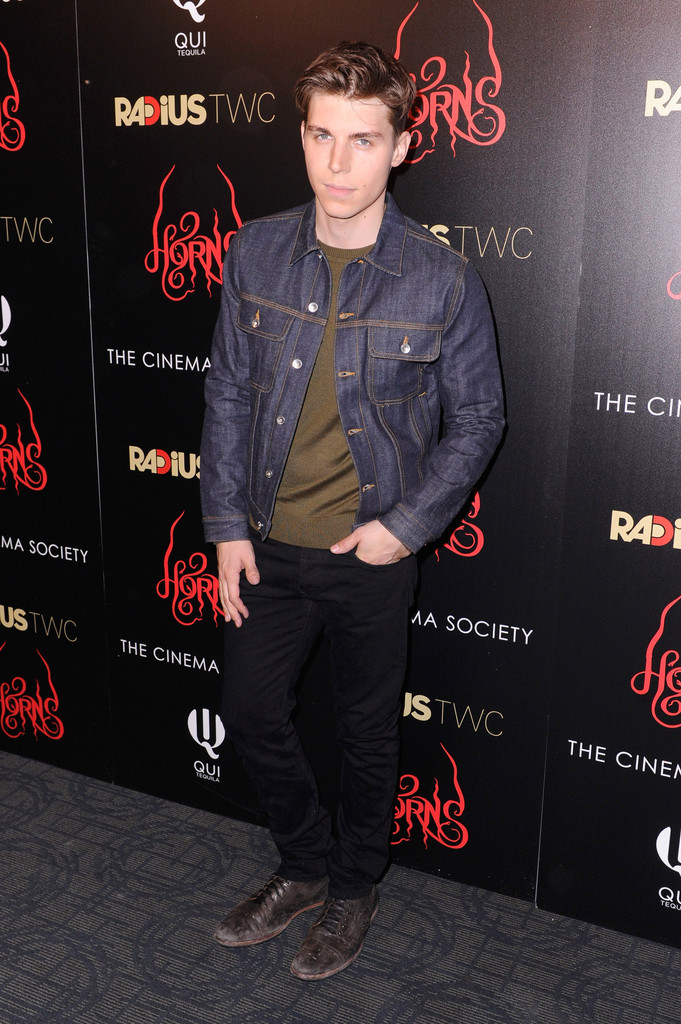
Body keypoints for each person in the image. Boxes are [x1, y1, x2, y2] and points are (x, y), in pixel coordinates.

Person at [200, 40, 504, 981]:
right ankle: (302, 865)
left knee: (367, 735)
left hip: (370, 552)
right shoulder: (254, 251)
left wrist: (404, 529)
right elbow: (228, 394)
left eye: (363, 140)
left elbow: (479, 419)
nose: (337, 163)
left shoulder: (441, 277)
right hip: (266, 545)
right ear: (301, 136)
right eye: (320, 135)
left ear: (401, 146)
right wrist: (225, 528)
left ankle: (353, 886)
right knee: (251, 712)